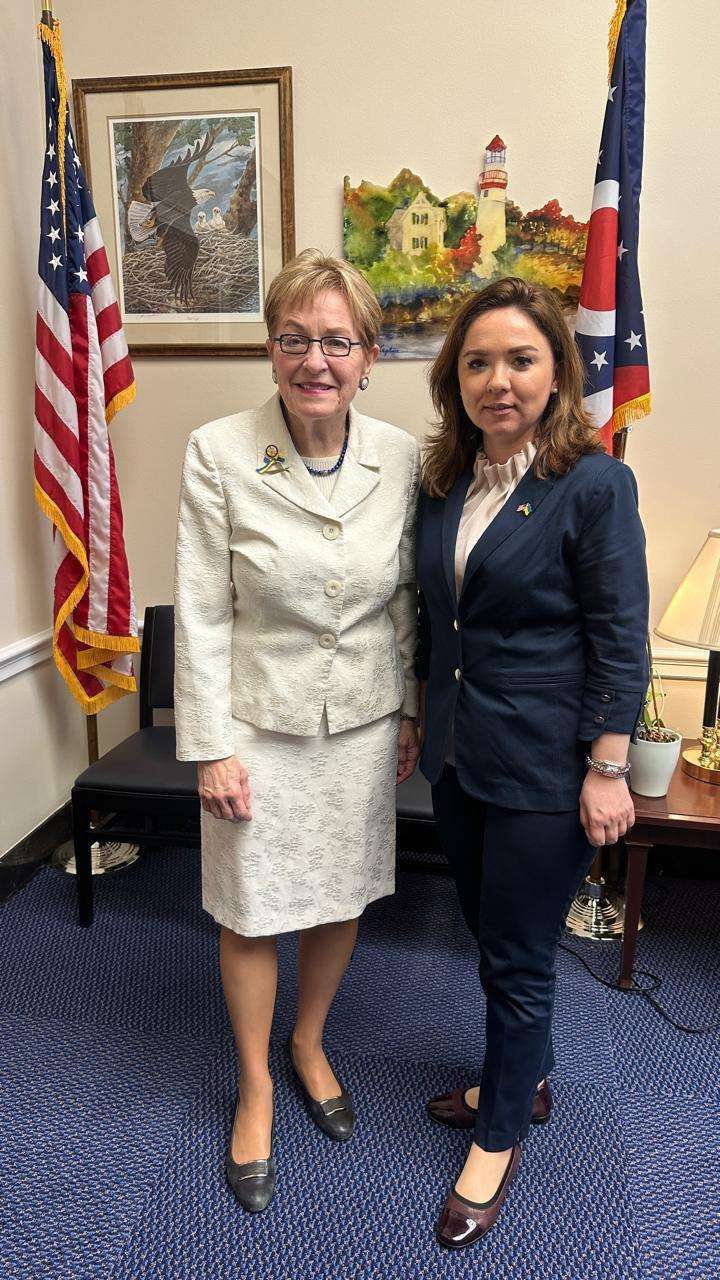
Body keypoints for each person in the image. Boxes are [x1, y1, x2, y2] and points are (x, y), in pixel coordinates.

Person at [174, 249, 420, 1212]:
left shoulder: (400, 455)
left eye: (337, 341)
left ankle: (310, 1041)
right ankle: (256, 1085)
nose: (315, 360)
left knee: (340, 893)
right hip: (256, 723)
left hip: (359, 719)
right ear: (270, 349)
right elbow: (202, 610)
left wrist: (407, 707)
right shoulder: (219, 450)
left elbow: (404, 597)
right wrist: (211, 748)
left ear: (369, 356)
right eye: (294, 339)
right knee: (250, 908)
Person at [415, 277, 649, 1250]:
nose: (497, 380)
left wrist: (608, 766)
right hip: (458, 755)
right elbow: (438, 622)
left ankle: (499, 1134)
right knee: (488, 931)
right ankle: (530, 1075)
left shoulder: (593, 484)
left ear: (557, 372)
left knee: (517, 959)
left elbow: (620, 634)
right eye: (477, 362)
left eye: (520, 359)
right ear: (455, 378)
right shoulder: (444, 481)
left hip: (547, 768)